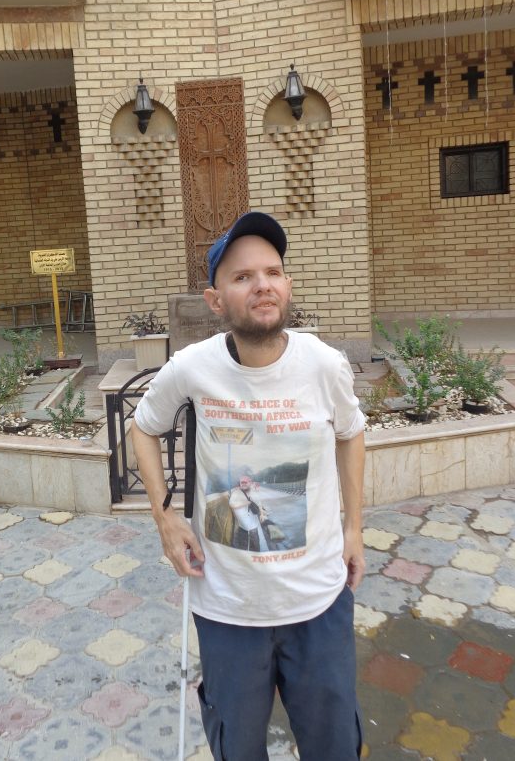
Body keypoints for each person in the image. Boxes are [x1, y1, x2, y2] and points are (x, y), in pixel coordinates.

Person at [131, 211, 365, 761]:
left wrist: (354, 529)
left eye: (273, 272)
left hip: (319, 602)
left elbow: (351, 435)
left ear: (286, 285)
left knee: (334, 746)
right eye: (243, 277)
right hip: (227, 607)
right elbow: (143, 427)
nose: (263, 284)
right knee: (237, 749)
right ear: (216, 301)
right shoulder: (192, 368)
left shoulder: (324, 365)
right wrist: (165, 519)